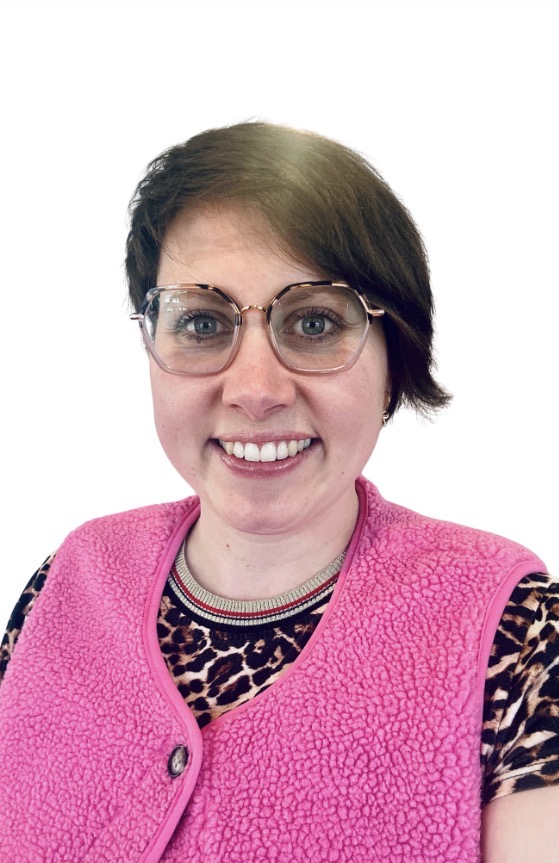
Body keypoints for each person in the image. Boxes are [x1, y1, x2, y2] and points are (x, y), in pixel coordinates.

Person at [0, 122, 557, 863]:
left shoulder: (521, 634)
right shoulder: (66, 580)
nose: (255, 389)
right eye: (202, 322)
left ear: (394, 354)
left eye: (315, 322)